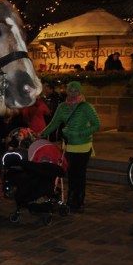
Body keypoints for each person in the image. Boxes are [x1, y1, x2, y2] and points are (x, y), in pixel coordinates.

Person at [39, 81, 100, 213]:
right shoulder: (62, 107)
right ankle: (71, 198)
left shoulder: (86, 107)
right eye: (70, 90)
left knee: (80, 174)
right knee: (71, 174)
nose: (73, 93)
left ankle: (79, 199)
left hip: (84, 146)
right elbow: (54, 123)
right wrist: (42, 133)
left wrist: (81, 133)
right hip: (69, 146)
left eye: (75, 91)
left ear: (80, 92)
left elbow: (97, 124)